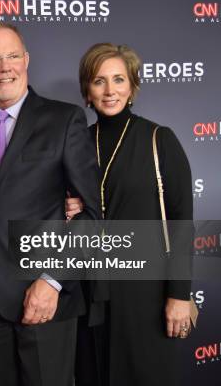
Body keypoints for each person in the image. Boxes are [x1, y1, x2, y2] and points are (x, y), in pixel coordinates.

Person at [0, 22, 100, 386]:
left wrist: (52, 282)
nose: (5, 67)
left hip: (44, 298)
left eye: (13, 56)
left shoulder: (64, 119)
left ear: (26, 60)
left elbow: (93, 215)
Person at [72, 42, 193, 385]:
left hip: (147, 294)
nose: (110, 91)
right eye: (99, 81)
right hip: (91, 290)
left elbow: (182, 223)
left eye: (119, 79)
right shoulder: (78, 142)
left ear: (132, 86)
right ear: (87, 90)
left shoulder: (159, 140)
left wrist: (179, 295)